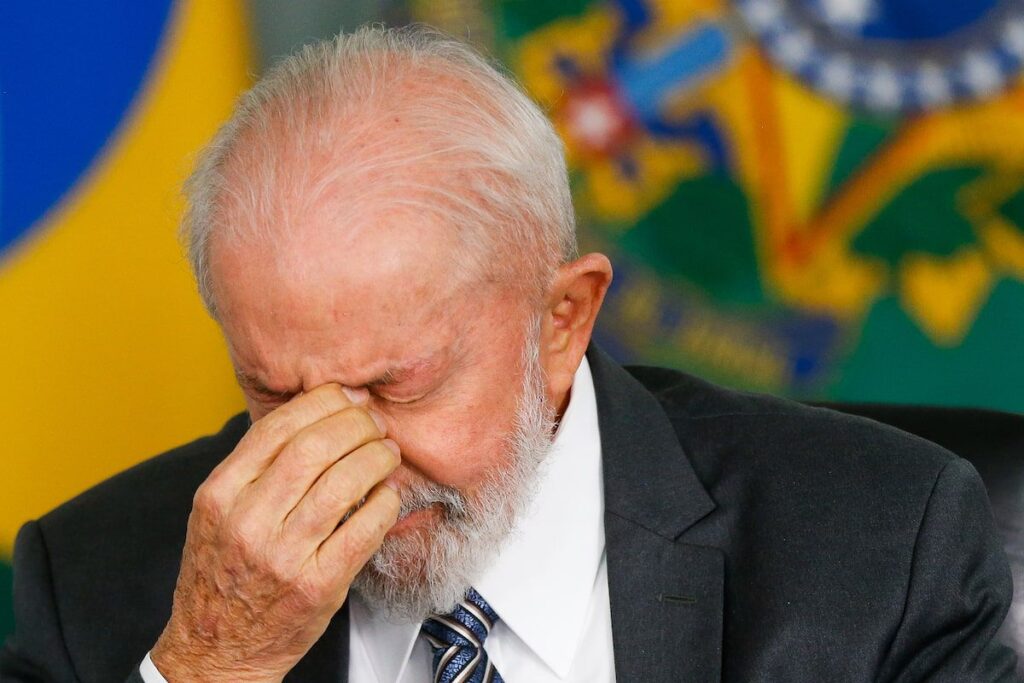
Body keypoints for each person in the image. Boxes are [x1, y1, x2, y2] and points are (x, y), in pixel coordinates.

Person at [1, 25, 1019, 683]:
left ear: (562, 319)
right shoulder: (95, 580)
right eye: (274, 392)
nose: (338, 459)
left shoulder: (882, 549)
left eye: (395, 384)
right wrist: (211, 666)